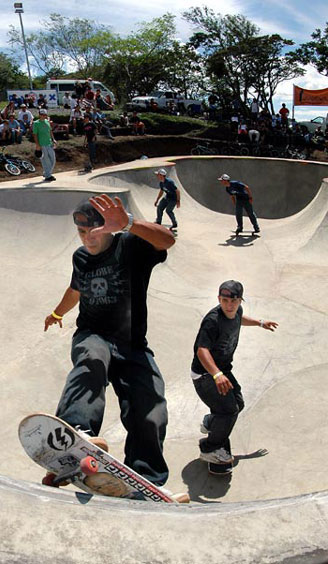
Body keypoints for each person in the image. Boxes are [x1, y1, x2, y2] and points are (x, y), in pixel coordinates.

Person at [43, 195, 177, 496]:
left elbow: (167, 240)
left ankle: (146, 479)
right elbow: (75, 289)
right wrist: (56, 313)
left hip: (132, 344)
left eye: (94, 230)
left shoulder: (130, 245)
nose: (88, 238)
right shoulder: (80, 257)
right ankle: (76, 431)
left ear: (108, 227)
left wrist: (129, 223)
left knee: (151, 403)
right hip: (93, 334)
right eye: (81, 232)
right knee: (92, 360)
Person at [191, 280, 278, 467]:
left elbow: (239, 319)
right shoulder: (212, 321)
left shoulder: (235, 312)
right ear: (218, 299)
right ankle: (209, 448)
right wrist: (216, 375)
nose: (229, 306)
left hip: (222, 370)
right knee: (229, 411)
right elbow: (201, 351)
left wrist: (260, 323)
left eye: (234, 302)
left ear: (240, 301)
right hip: (205, 375)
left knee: (238, 403)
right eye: (224, 301)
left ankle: (211, 421)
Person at [32, 109, 57, 182]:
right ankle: (48, 175)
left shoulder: (47, 122)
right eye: (42, 115)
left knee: (53, 159)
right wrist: (37, 145)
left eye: (45, 115)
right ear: (39, 115)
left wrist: (53, 139)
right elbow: (35, 135)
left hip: (49, 143)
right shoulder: (36, 123)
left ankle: (46, 173)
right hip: (42, 144)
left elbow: (50, 131)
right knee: (45, 161)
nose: (44, 116)